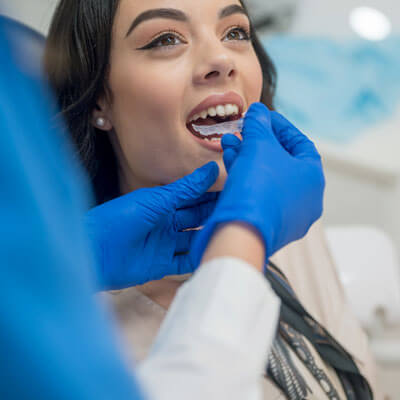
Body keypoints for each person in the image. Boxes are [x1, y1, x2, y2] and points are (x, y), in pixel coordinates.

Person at [44, 0, 379, 398]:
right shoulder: (72, 343)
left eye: (235, 32)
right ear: (99, 98)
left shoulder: (290, 224)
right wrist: (244, 234)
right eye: (166, 39)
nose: (221, 58)